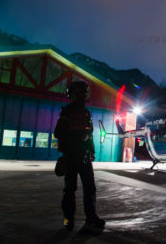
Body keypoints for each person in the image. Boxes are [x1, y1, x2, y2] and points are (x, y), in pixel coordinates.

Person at [54, 81, 105, 231]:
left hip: (85, 157)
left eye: (85, 92)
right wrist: (77, 139)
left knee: (90, 188)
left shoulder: (86, 112)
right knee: (70, 189)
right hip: (71, 157)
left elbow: (89, 134)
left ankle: (91, 217)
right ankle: (68, 219)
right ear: (74, 94)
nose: (84, 94)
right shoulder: (67, 112)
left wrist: (92, 150)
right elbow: (58, 132)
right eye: (81, 92)